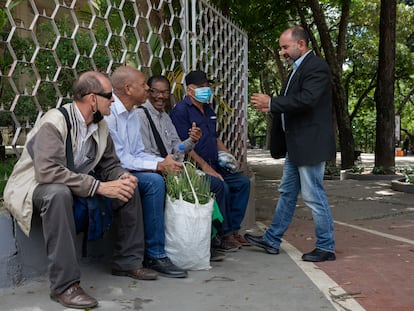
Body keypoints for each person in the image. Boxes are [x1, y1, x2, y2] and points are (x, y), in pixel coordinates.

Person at [3, 71, 158, 309]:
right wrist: (99, 187)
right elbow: (48, 172)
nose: (114, 100)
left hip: (73, 184)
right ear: (92, 99)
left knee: (127, 186)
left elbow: (110, 165)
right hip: (33, 186)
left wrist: (121, 178)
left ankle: (127, 261)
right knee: (57, 193)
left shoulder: (100, 126)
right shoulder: (54, 122)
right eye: (109, 96)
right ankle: (65, 286)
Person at [246, 26, 336, 262]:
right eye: (281, 47)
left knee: (314, 196)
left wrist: (273, 102)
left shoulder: (315, 66)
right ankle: (272, 239)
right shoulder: (297, 70)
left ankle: (326, 246)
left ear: (301, 45)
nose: (282, 52)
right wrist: (272, 106)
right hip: (297, 145)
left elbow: (308, 99)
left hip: (310, 145)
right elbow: (294, 103)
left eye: (285, 47)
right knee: (287, 193)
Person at [105, 66, 187, 278]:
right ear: (128, 88)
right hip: (107, 169)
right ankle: (155, 254)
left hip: (125, 166)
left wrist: (165, 162)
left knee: (166, 174)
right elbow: (119, 158)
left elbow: (138, 153)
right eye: (143, 85)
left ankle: (169, 249)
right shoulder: (110, 113)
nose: (148, 89)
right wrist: (158, 166)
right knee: (153, 181)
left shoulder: (131, 113)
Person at [136, 74, 225, 262]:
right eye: (156, 92)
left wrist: (191, 140)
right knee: (203, 186)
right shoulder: (140, 116)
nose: (161, 96)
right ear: (148, 92)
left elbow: (178, 148)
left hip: (174, 167)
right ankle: (187, 244)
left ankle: (205, 240)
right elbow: (143, 154)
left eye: (165, 92)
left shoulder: (165, 118)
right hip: (157, 170)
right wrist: (164, 164)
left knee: (215, 184)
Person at [170, 70, 251, 253]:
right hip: (193, 167)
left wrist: (230, 157)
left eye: (207, 86)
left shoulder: (208, 109)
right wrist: (205, 167)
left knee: (242, 183)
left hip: (215, 163)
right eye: (201, 86)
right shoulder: (181, 111)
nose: (206, 89)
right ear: (190, 90)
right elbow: (183, 146)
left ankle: (233, 229)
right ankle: (224, 235)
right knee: (222, 187)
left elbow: (214, 138)